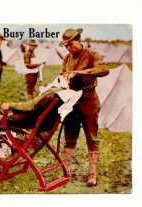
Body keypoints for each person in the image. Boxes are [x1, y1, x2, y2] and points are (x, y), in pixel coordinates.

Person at [59, 28, 109, 187]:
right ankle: (66, 171)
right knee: (70, 137)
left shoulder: (92, 55)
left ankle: (92, 174)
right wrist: (64, 79)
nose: (68, 48)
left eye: (70, 44)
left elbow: (104, 69)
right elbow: (62, 74)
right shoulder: (67, 58)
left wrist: (80, 72)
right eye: (66, 45)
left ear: (78, 40)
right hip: (72, 100)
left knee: (91, 138)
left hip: (88, 100)